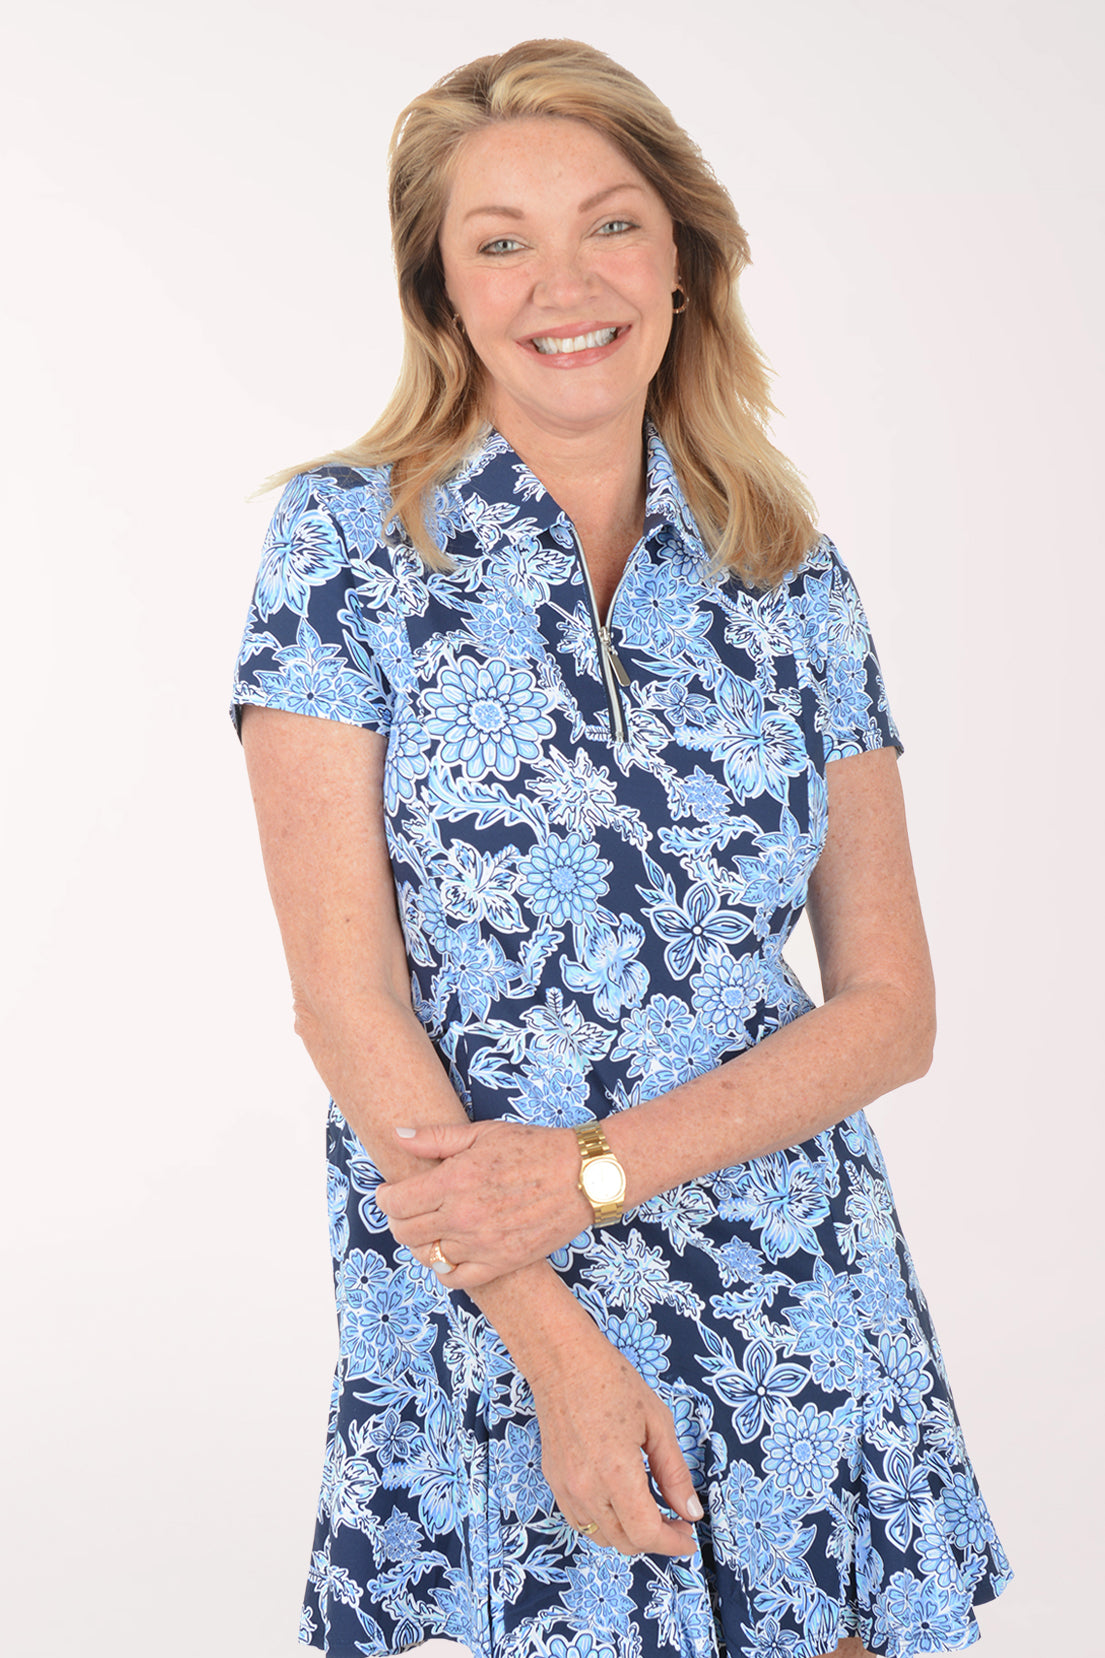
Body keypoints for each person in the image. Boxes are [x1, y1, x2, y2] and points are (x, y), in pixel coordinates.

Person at [232, 38, 1010, 1658]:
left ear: (680, 257)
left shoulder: (791, 573)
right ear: (441, 294)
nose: (563, 283)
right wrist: (555, 1342)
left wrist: (593, 1168)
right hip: (494, 1290)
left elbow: (891, 1011)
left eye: (609, 224)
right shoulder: (342, 547)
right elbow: (345, 999)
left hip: (794, 1280)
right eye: (499, 241)